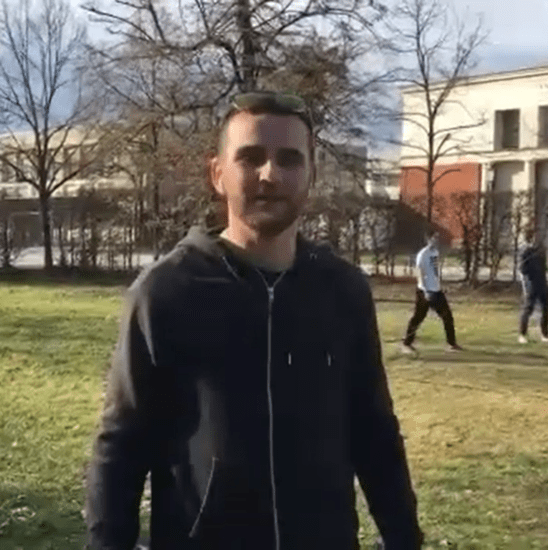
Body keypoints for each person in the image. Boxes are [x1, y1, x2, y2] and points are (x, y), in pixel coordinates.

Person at [85, 91, 423, 550]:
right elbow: (122, 443)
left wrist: (403, 536)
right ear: (217, 174)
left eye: (289, 159)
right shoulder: (167, 292)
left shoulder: (343, 292)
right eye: (251, 157)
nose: (270, 174)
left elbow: (374, 431)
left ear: (311, 174)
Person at [401, 229, 461, 354]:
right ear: (428, 239)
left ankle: (451, 344)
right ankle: (406, 344)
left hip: (436, 291)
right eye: (434, 238)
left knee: (447, 316)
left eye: (437, 238)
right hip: (425, 291)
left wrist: (439, 285)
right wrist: (425, 291)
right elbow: (419, 272)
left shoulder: (435, 252)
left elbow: (434, 272)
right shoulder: (423, 254)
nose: (436, 240)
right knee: (418, 317)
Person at [518, 229, 548, 344]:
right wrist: (526, 285)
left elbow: (544, 267)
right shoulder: (526, 251)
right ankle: (522, 334)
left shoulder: (541, 251)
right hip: (531, 283)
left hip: (542, 282)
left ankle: (544, 335)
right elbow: (522, 270)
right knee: (528, 308)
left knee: (545, 308)